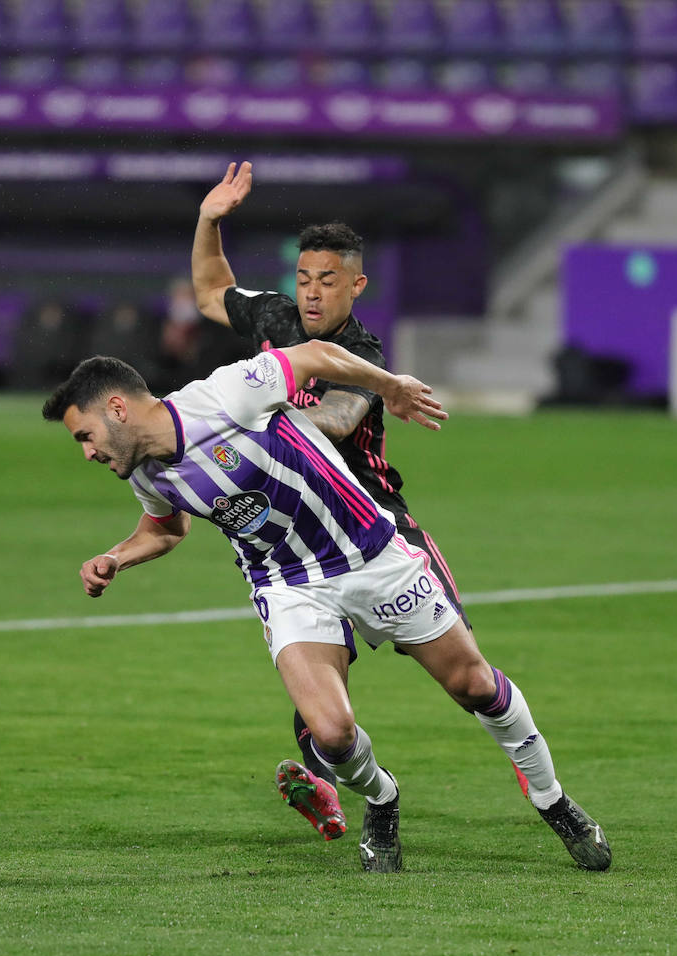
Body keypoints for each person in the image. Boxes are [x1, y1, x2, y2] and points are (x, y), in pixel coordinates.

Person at [42, 344, 611, 873]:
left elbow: (313, 355)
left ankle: (552, 800)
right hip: (290, 586)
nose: (88, 452)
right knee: (331, 733)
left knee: (474, 685)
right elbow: (166, 527)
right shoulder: (145, 471)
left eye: (85, 436)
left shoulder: (223, 394)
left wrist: (390, 386)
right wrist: (118, 557)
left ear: (117, 407)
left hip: (369, 554)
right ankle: (382, 798)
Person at [191, 161, 503, 841]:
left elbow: (331, 424)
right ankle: (332, 794)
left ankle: (529, 764)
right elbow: (213, 291)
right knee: (319, 687)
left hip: (377, 530)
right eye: (303, 279)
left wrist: (237, 413)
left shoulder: (360, 351)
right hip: (304, 544)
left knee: (468, 673)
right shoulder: (273, 318)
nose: (310, 294)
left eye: (327, 281)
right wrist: (210, 219)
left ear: (356, 286)